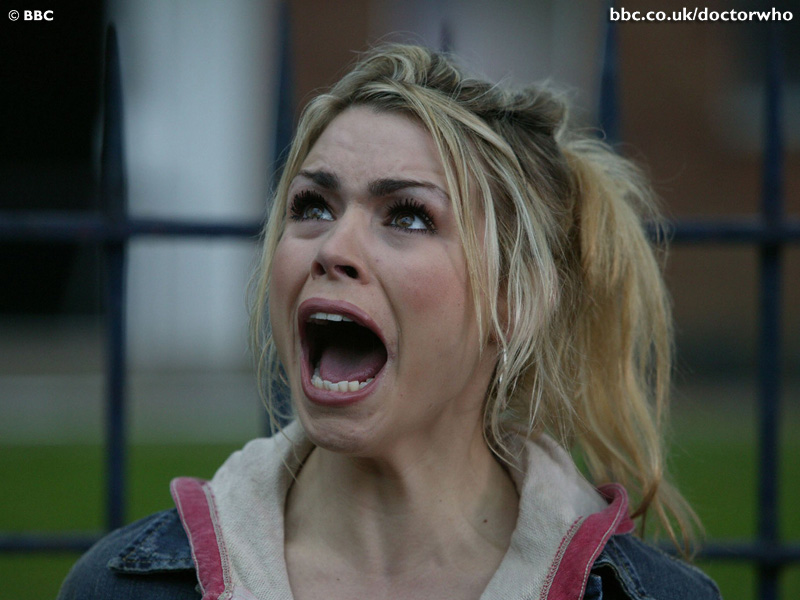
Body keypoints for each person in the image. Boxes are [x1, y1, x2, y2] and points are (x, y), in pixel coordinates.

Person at [58, 44, 721, 600]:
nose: (333, 248)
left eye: (407, 216)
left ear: (516, 300)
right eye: (313, 205)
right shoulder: (119, 588)